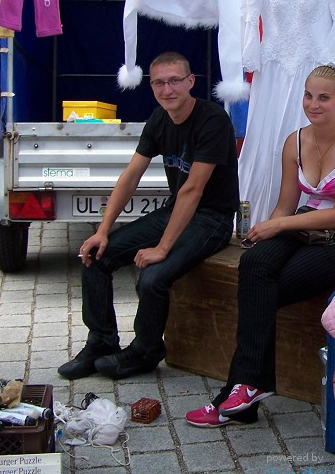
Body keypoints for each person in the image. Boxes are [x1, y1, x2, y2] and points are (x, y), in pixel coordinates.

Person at [186, 64, 335, 427]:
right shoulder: (295, 140)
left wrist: (278, 225)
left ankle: (238, 394)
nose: (313, 104)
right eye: (308, 95)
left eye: (323, 97)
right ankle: (246, 394)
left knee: (261, 294)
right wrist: (269, 231)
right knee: (255, 263)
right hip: (302, 227)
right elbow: (286, 204)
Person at [59, 51, 239, 380]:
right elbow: (131, 176)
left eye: (174, 81)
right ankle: (101, 343)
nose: (167, 89)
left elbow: (193, 189)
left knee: (153, 279)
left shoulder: (213, 120)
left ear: (190, 82)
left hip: (212, 218)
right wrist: (102, 230)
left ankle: (146, 351)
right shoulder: (159, 119)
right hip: (178, 211)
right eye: (158, 82)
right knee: (96, 256)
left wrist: (162, 248)